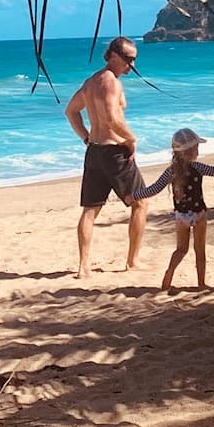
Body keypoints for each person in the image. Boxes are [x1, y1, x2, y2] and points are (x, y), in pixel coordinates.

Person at [64, 35, 150, 278]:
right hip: (114, 152)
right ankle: (132, 261)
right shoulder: (111, 81)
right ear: (112, 55)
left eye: (134, 59)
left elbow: (71, 111)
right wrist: (131, 139)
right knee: (140, 203)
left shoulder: (91, 82)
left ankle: (84, 267)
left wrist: (86, 137)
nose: (131, 64)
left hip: (95, 151)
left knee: (91, 210)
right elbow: (112, 118)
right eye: (127, 58)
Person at [157, 127, 214, 292]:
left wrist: (135, 195)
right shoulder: (198, 167)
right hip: (199, 214)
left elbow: (154, 188)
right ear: (191, 150)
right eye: (196, 147)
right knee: (200, 250)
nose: (198, 150)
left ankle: (169, 273)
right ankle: (201, 283)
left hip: (180, 217)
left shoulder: (171, 171)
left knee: (181, 249)